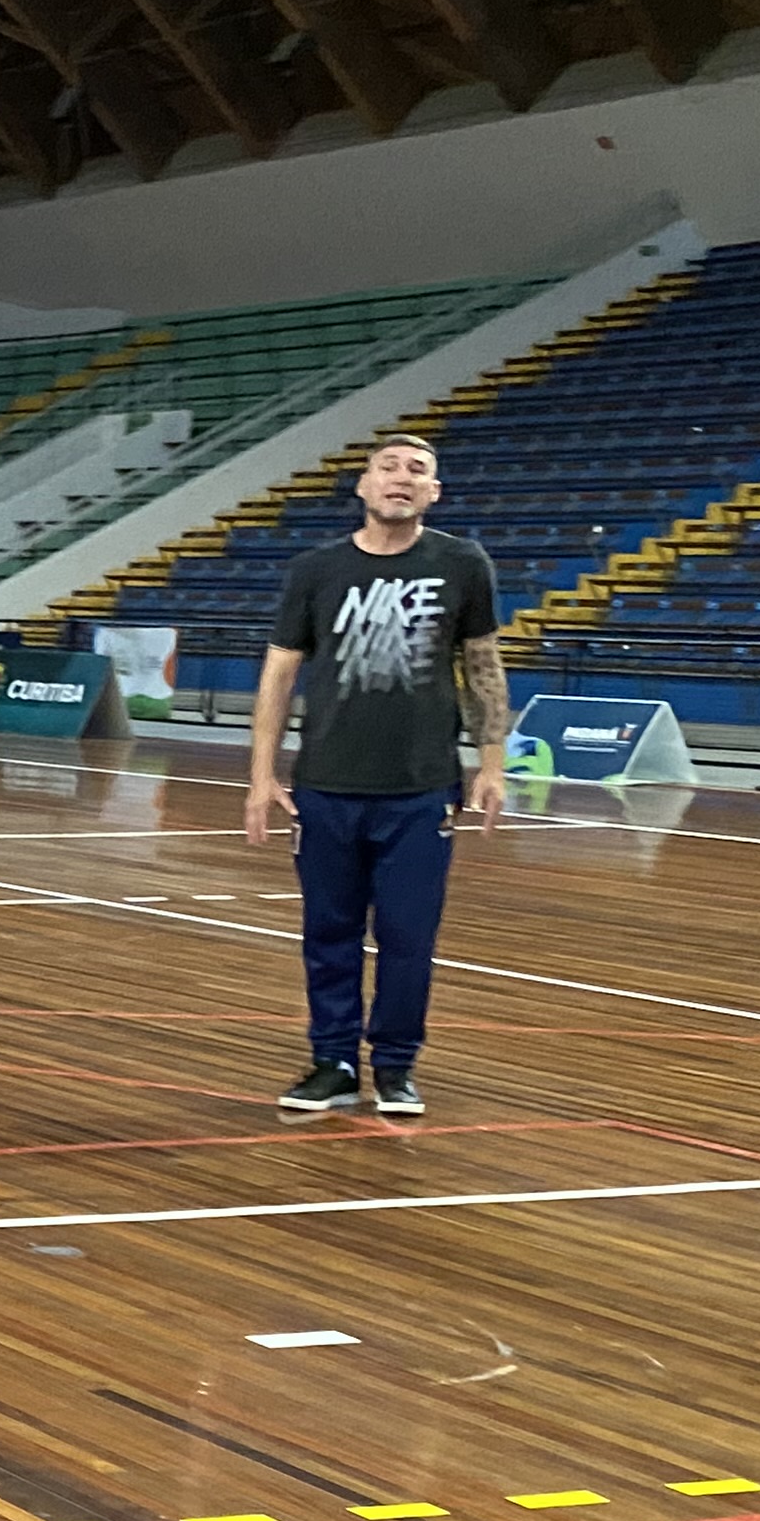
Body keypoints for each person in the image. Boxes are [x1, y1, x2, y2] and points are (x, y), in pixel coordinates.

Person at [244, 432, 507, 1120]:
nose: (401, 477)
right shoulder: (315, 570)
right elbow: (278, 672)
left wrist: (492, 761)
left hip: (421, 791)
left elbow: (483, 665)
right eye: (387, 467)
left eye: (418, 470)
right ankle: (331, 1062)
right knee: (327, 934)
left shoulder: (462, 563)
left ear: (434, 492)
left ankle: (395, 1067)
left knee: (407, 937)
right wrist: (261, 774)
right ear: (362, 486)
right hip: (327, 784)